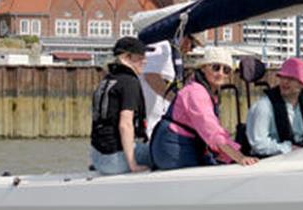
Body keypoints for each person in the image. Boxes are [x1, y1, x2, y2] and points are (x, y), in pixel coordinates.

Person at [149, 46, 256, 169]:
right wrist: (240, 158)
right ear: (203, 68)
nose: (221, 73)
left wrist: (232, 155)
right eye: (215, 67)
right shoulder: (196, 93)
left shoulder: (207, 91)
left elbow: (215, 132)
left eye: (226, 70)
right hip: (172, 148)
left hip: (186, 144)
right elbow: (211, 131)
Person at [90, 36, 151, 175]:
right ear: (126, 58)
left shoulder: (107, 81)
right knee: (165, 152)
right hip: (115, 160)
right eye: (140, 57)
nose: (145, 60)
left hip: (97, 158)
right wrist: (133, 165)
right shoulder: (129, 82)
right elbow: (125, 125)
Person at [246, 57, 303, 157]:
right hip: (269, 163)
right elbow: (259, 144)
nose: (285, 82)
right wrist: (288, 148)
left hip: (298, 160)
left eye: (291, 79)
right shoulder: (263, 107)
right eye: (283, 77)